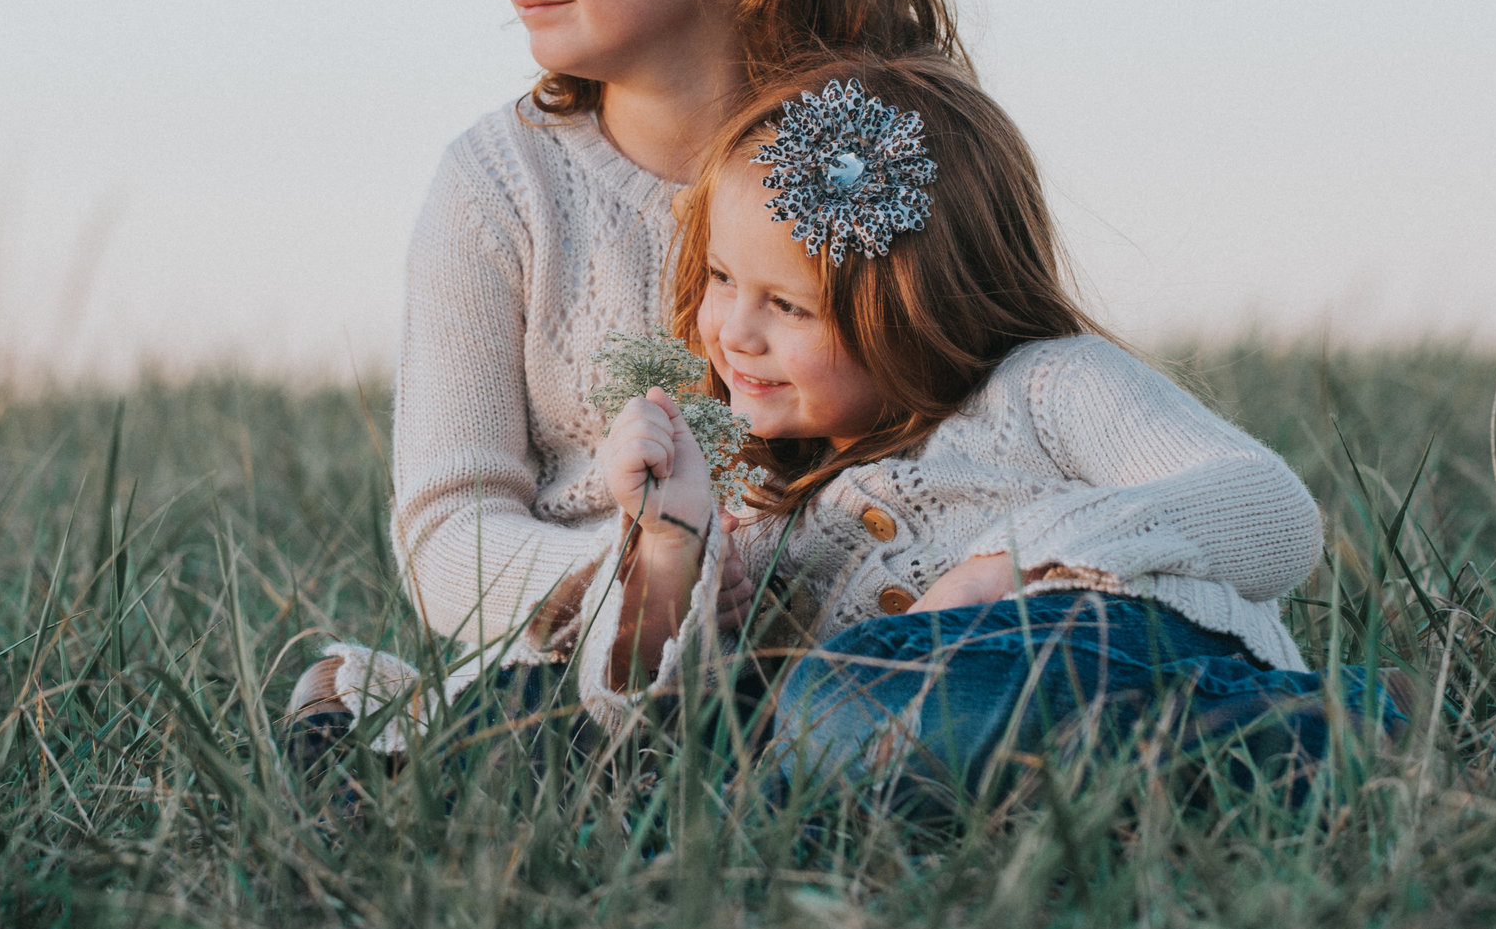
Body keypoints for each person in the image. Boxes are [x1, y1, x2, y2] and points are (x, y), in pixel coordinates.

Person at [287, 0, 960, 749]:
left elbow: (1003, 424)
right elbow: (449, 536)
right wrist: (652, 575)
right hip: (586, 654)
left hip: (867, 644)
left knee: (891, 731)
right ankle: (391, 724)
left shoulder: (882, 159)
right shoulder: (494, 187)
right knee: (534, 735)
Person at [578, 51, 1408, 798]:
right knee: (833, 728)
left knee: (861, 718)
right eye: (723, 277)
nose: (733, 331)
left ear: (922, 306)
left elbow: (1273, 511)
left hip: (1119, 646)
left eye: (790, 305)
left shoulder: (1047, 386)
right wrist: (669, 551)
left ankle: (1353, 726)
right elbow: (655, 742)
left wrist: (1001, 568)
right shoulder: (762, 502)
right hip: (909, 717)